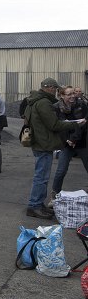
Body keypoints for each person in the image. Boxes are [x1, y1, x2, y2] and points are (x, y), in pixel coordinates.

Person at [23, 78, 86, 219]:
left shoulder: (34, 100)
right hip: (43, 143)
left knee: (42, 176)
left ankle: (38, 204)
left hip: (39, 142)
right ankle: (34, 206)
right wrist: (75, 124)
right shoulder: (44, 102)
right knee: (41, 177)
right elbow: (54, 125)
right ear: (48, 87)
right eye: (55, 88)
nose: (56, 91)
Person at [49, 85, 88, 205]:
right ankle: (55, 196)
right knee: (61, 170)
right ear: (62, 95)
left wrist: (73, 139)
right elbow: (57, 126)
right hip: (65, 144)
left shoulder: (81, 105)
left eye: (73, 94)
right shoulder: (56, 107)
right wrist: (67, 140)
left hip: (81, 142)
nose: (72, 96)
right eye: (69, 94)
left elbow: (82, 124)